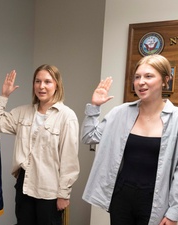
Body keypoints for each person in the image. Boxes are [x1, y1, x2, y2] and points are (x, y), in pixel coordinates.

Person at [81, 54, 178, 225]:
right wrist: (95, 107)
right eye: (137, 77)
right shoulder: (121, 112)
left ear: (165, 80)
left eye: (148, 76)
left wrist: (174, 212)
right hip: (121, 197)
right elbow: (89, 137)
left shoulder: (176, 119)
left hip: (155, 201)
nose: (141, 82)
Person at [0, 64, 80, 225]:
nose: (41, 86)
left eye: (47, 82)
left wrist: (64, 194)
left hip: (49, 190)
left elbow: (69, 160)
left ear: (57, 85)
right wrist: (4, 96)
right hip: (24, 185)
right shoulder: (23, 112)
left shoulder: (67, 117)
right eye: (37, 81)